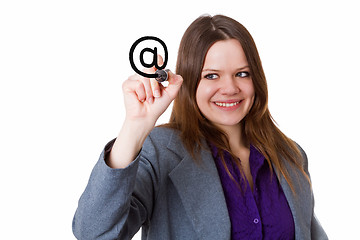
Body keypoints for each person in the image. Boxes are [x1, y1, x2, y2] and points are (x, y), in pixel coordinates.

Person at [72, 14, 328, 240]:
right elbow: (94, 233)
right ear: (190, 81)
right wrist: (134, 128)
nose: (230, 88)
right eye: (211, 75)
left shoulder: (291, 155)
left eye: (242, 73)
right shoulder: (161, 153)